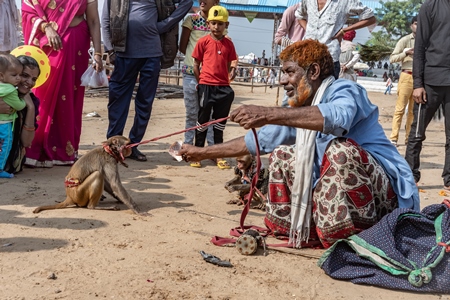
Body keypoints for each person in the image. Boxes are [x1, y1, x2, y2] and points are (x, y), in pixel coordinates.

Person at [179, 39, 419, 249]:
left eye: (290, 72)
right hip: (347, 199)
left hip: (387, 198)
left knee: (340, 150)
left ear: (313, 71)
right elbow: (257, 141)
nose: (283, 81)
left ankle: (355, 236)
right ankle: (299, 229)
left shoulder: (345, 89)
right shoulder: (301, 112)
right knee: (282, 154)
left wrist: (269, 113)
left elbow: (337, 117)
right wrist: (201, 153)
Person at [102, 0, 192, 162]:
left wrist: (164, 25)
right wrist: (109, 48)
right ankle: (114, 146)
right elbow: (106, 19)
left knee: (145, 103)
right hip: (123, 53)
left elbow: (187, 2)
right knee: (117, 101)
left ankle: (133, 146)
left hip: (151, 53)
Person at [21, 0, 103, 167]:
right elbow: (28, 9)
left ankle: (63, 151)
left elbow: (94, 21)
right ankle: (34, 150)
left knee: (69, 96)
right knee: (43, 96)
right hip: (47, 45)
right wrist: (46, 27)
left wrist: (98, 54)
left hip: (76, 42)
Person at [406, 0, 450, 189]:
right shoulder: (430, 6)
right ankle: (410, 176)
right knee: (417, 134)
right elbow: (420, 46)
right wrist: (418, 83)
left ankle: (449, 179)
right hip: (430, 81)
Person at [189, 5, 237, 169]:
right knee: (202, 122)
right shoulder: (202, 42)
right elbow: (196, 65)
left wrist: (231, 73)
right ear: (208, 24)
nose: (217, 27)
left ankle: (218, 155)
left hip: (223, 88)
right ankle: (197, 154)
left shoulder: (229, 45)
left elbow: (231, 64)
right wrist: (201, 82)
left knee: (219, 124)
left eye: (220, 23)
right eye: (214, 23)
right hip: (206, 87)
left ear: (226, 25)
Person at [295, 0, 376, 79]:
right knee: (304, 89)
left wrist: (344, 30)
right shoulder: (355, 46)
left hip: (329, 59)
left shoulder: (345, 2)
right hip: (307, 56)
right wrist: (309, 30)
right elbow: (299, 15)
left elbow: (370, 18)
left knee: (328, 90)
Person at [179, 0, 219, 149]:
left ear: (216, 2)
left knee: (209, 114)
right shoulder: (191, 20)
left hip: (210, 76)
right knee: (191, 113)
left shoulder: (218, 22)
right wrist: (195, 61)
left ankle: (211, 149)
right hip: (190, 73)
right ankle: (189, 146)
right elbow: (183, 47)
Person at [0, 55, 41, 174]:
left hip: (12, 160)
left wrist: (31, 108)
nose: (29, 82)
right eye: (25, 75)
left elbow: (26, 142)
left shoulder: (32, 101)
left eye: (34, 79)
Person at [388, 16, 417, 147]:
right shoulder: (405, 40)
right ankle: (394, 138)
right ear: (411, 26)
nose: (418, 26)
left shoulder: (426, 41)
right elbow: (392, 58)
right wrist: (406, 53)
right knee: (400, 109)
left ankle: (408, 139)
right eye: (416, 24)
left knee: (412, 111)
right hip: (406, 76)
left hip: (419, 78)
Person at [274, 2, 305, 107]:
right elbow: (278, 38)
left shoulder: (322, 12)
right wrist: (297, 45)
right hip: (295, 61)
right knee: (289, 99)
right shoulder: (292, 11)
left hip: (312, 62)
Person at [0, 54, 25, 178]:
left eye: (20, 75)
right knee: (6, 145)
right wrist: (24, 102)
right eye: (14, 75)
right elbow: (19, 106)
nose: (18, 79)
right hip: (4, 124)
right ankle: (0, 169)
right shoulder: (10, 90)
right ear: (1, 75)